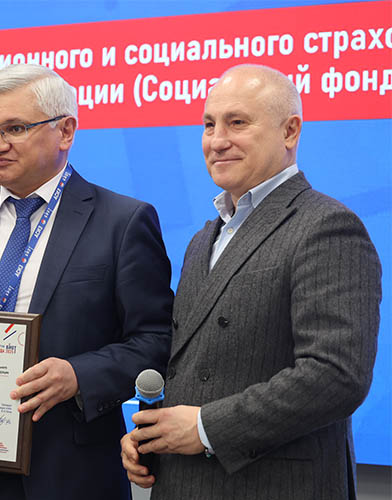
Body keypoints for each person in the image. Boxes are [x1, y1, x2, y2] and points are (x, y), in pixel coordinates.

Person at [0, 63, 174, 500]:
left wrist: (78, 374)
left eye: (15, 129)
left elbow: (156, 340)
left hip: (65, 473)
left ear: (65, 131)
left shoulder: (123, 221)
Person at [121, 64, 382, 500]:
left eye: (237, 122)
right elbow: (197, 368)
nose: (217, 140)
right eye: (209, 124)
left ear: (290, 131)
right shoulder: (203, 238)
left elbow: (336, 375)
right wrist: (153, 434)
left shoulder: (327, 226)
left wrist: (205, 428)